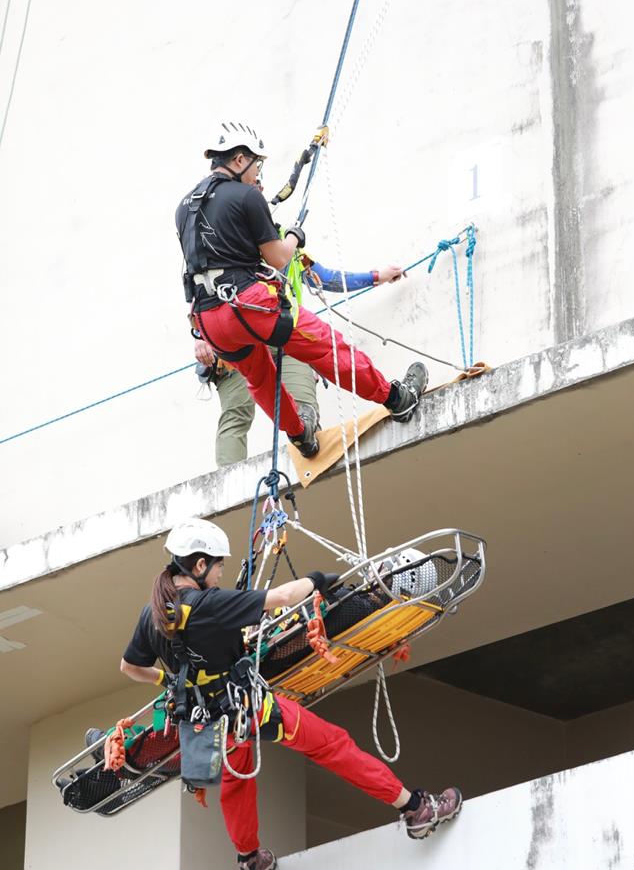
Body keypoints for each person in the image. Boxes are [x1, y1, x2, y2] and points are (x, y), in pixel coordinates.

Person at [120, 518, 463, 870]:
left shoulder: (153, 614)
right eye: (219, 565)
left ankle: (250, 859)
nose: (221, 573)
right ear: (200, 564)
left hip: (209, 727)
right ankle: (415, 809)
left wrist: (171, 680)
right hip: (250, 710)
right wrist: (316, 581)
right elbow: (281, 598)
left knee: (236, 784)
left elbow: (129, 667)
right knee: (331, 744)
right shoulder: (207, 603)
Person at [175, 121, 429, 459]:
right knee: (327, 349)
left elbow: (193, 269)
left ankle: (300, 434)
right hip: (250, 307)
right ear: (239, 160)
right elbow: (279, 259)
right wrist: (295, 236)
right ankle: (396, 399)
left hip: (210, 321)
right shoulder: (246, 197)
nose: (256, 175)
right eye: (255, 165)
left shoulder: (185, 208)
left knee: (260, 378)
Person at [195, 258, 406, 466]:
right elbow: (200, 284)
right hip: (252, 335)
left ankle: (312, 461)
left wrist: (376, 277)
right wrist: (199, 336)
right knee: (237, 414)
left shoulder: (289, 249)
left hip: (283, 336)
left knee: (305, 415)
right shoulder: (238, 240)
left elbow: (325, 279)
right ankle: (232, 483)